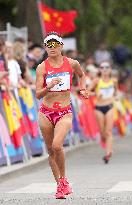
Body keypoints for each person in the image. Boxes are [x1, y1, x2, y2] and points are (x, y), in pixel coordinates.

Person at [36, 32, 88, 199]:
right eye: (48, 45)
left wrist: (83, 88)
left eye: (55, 44)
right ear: (45, 47)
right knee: (51, 151)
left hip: (64, 111)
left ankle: (64, 179)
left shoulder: (72, 63)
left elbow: (82, 75)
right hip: (46, 112)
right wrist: (48, 86)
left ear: (61, 46)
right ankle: (59, 185)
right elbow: (38, 94)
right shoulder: (42, 67)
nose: (52, 48)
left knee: (57, 145)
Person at [88, 61, 118, 164]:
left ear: (110, 69)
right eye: (102, 67)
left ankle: (108, 153)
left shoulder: (114, 81)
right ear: (100, 70)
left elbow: (115, 92)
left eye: (107, 67)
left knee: (108, 131)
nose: (104, 69)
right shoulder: (96, 80)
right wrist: (96, 93)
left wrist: (116, 97)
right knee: (102, 132)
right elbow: (86, 92)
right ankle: (105, 142)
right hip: (99, 108)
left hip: (109, 106)